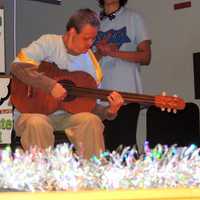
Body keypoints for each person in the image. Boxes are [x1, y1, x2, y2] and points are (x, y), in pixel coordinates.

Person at [10, 8, 124, 159]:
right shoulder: (48, 43)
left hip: (67, 117)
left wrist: (109, 112)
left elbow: (91, 107)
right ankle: (43, 178)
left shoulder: (91, 64)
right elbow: (18, 67)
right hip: (31, 111)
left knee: (91, 120)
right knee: (37, 123)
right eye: (86, 38)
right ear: (71, 32)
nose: (90, 44)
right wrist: (50, 86)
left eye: (93, 39)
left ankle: (92, 174)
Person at [94, 0, 151, 151]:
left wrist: (113, 52)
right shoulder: (93, 22)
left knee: (125, 147)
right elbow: (85, 63)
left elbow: (145, 57)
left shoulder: (134, 17)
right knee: (102, 148)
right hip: (98, 96)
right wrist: (100, 53)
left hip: (127, 93)